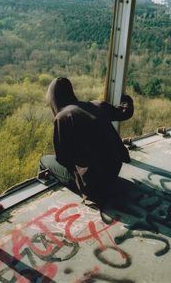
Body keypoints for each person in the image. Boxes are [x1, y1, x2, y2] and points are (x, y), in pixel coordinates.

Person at [38, 77, 134, 207]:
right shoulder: (96, 105)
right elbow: (125, 113)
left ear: (53, 100)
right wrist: (126, 100)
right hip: (113, 172)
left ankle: (42, 192)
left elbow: (62, 159)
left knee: (44, 160)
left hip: (93, 186)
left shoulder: (62, 117)